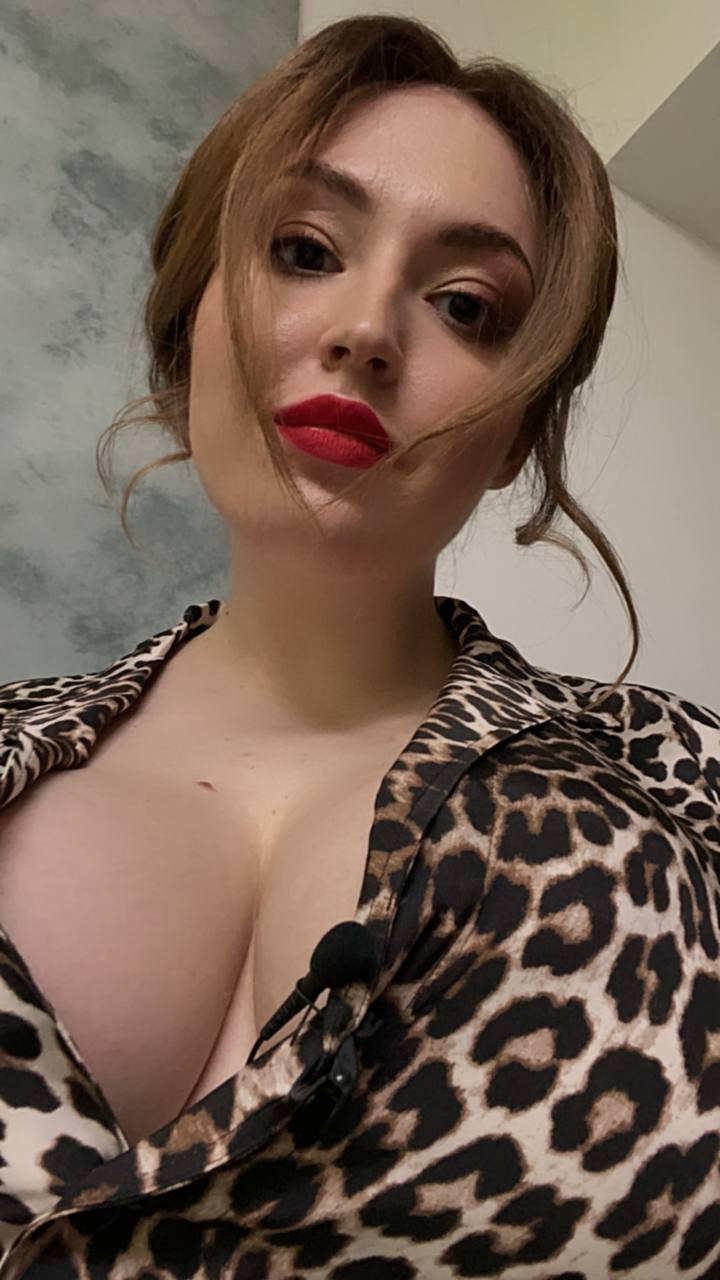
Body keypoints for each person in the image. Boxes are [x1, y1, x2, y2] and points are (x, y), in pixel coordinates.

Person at [0, 14, 718, 1278]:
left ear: (516, 432)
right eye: (304, 250)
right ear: (191, 316)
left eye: (466, 305)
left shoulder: (688, 782)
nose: (367, 329)